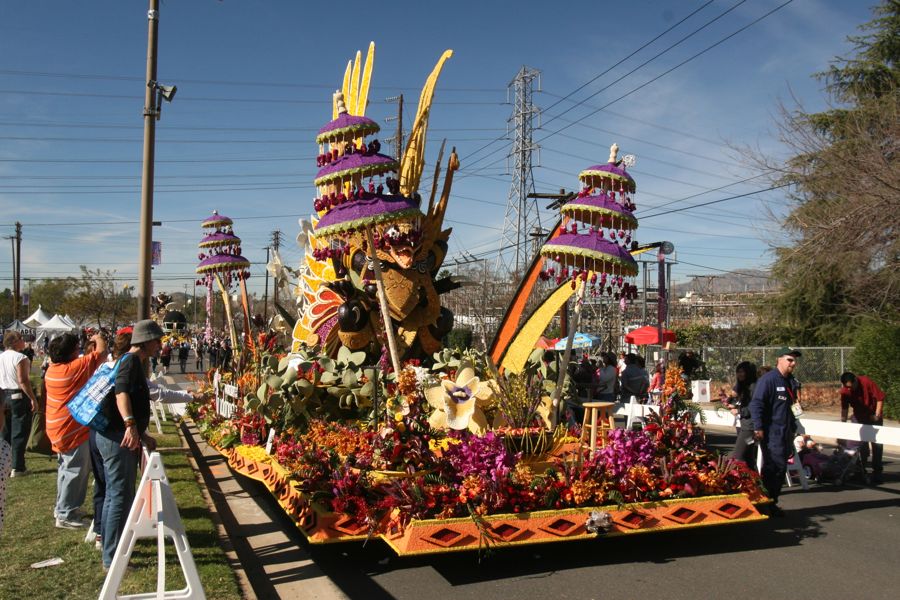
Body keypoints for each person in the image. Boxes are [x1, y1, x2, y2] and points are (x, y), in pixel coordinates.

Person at [95, 319, 161, 569]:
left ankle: (113, 551)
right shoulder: (132, 361)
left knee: (117, 495)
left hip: (116, 436)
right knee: (119, 496)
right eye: (157, 341)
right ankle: (112, 558)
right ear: (146, 341)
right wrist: (131, 425)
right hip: (116, 438)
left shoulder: (131, 361)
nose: (159, 346)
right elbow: (121, 392)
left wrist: (141, 434)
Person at [43, 331, 108, 528]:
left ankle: (62, 507)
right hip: (71, 429)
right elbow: (102, 353)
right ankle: (67, 514)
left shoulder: (52, 370)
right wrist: (97, 338)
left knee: (64, 469)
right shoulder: (74, 369)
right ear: (72, 352)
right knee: (75, 471)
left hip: (56, 427)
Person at [750, 347, 801, 517]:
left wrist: (795, 429)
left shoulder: (791, 381)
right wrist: (758, 427)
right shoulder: (769, 380)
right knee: (774, 468)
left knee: (780, 468)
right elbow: (756, 404)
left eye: (794, 360)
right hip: (772, 433)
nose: (793, 363)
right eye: (790, 359)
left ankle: (769, 502)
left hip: (786, 432)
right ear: (779, 360)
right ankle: (767, 503)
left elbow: (793, 408)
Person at [0, 331, 39, 477]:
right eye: (22, 339)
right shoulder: (20, 357)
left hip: (3, 395)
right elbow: (23, 380)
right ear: (15, 341)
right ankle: (17, 466)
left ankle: (5, 463)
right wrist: (33, 398)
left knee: (5, 432)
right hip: (17, 396)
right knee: (19, 432)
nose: (24, 342)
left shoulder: (1, 356)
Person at [839, 371, 885, 485]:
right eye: (847, 387)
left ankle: (877, 473)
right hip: (858, 417)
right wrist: (842, 423)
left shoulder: (866, 381)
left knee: (877, 445)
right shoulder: (845, 391)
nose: (849, 389)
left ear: (855, 380)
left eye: (851, 386)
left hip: (873, 416)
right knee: (860, 445)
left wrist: (877, 415)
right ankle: (860, 471)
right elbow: (844, 408)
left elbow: (879, 398)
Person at [723, 361, 758, 466]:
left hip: (750, 429)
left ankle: (741, 480)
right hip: (747, 427)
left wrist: (739, 411)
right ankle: (756, 481)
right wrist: (735, 406)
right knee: (748, 456)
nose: (740, 374)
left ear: (749, 372)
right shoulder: (745, 386)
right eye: (738, 372)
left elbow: (755, 407)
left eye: (742, 371)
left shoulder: (754, 387)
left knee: (737, 457)